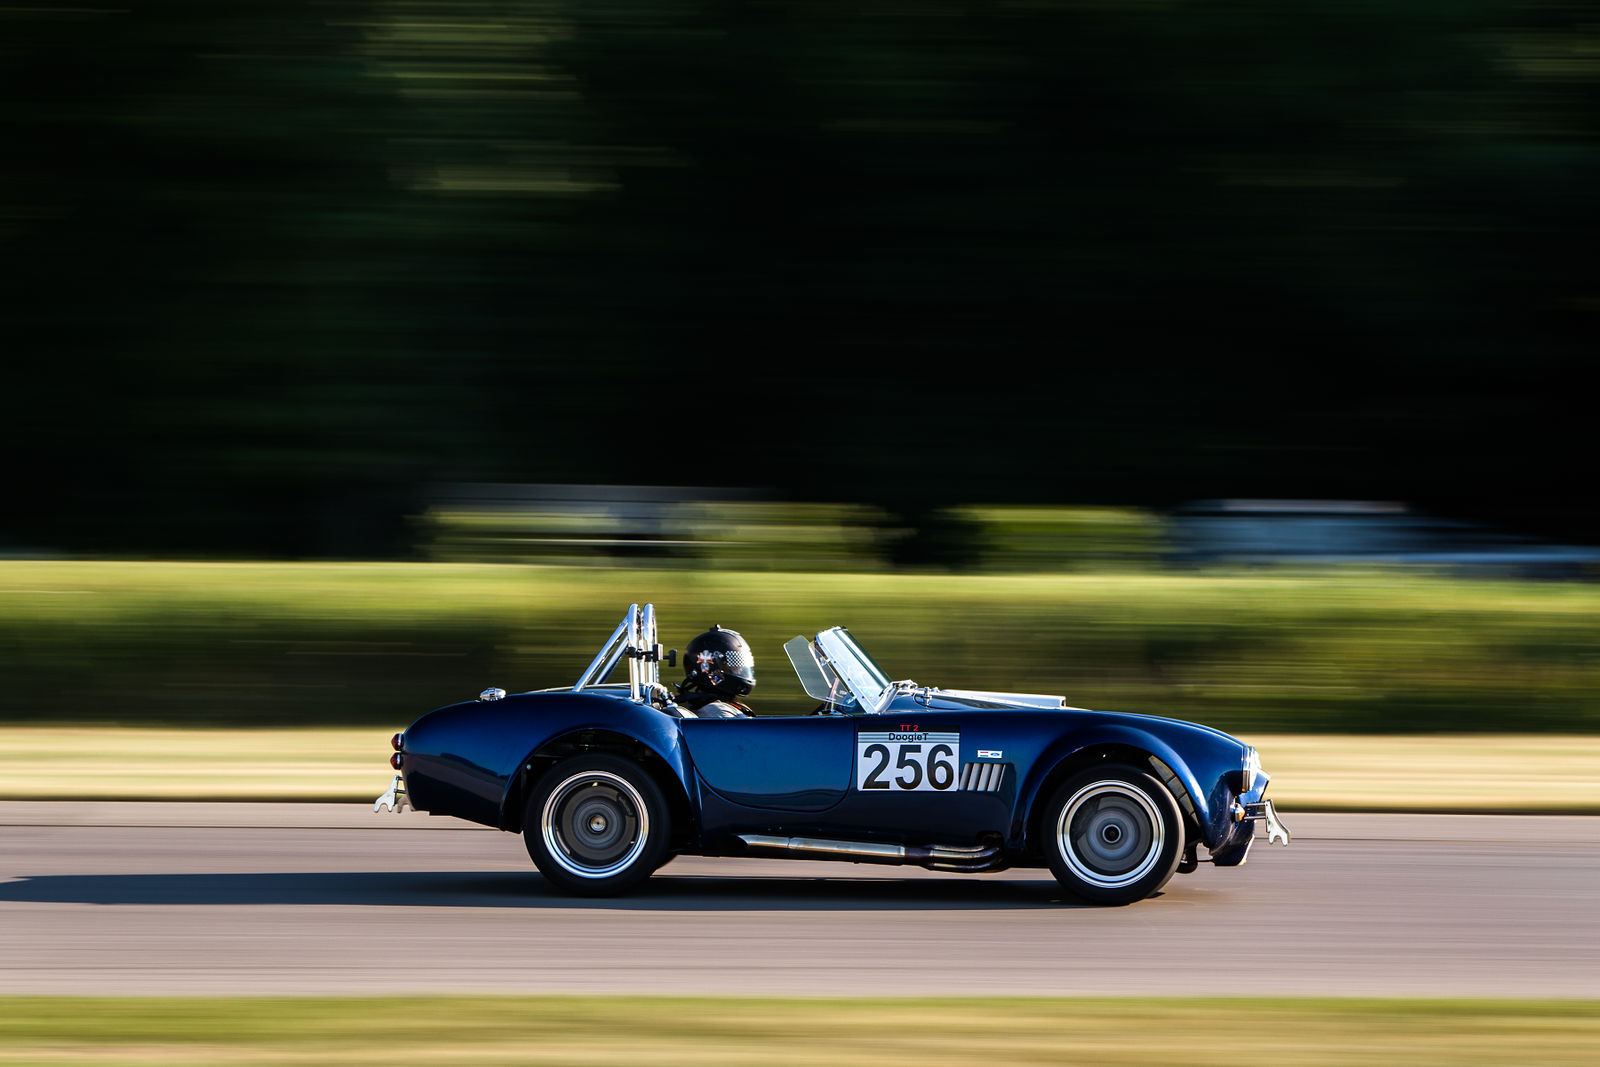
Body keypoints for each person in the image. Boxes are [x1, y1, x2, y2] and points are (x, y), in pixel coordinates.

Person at [676, 624, 754, 718]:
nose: (740, 669)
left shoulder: (728, 706)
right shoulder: (717, 711)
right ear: (712, 667)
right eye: (733, 664)